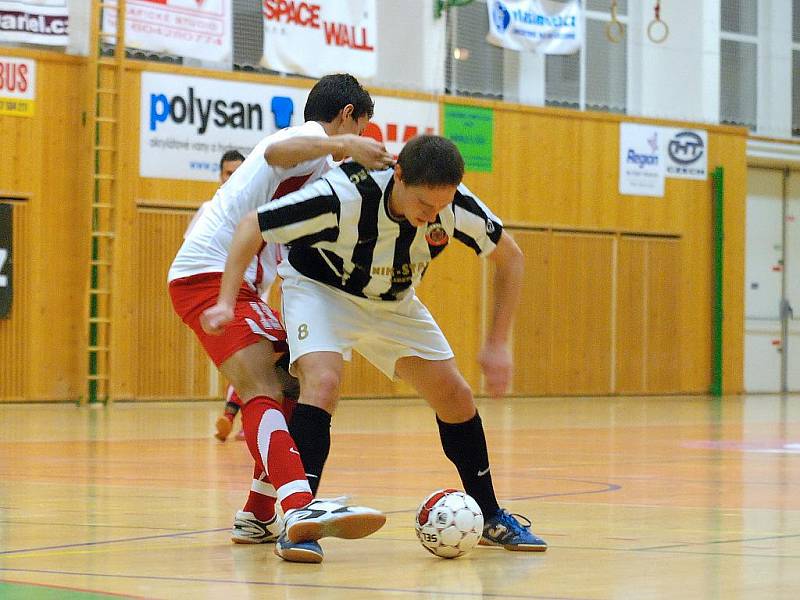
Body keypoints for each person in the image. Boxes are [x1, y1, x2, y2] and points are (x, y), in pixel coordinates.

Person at [201, 134, 548, 553]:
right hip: (320, 290)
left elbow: (511, 257)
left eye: (441, 206)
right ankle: (300, 520)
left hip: (392, 301)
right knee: (323, 382)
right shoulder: (346, 194)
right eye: (423, 204)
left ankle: (490, 515)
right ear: (397, 175)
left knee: (456, 396)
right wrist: (225, 301)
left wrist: (497, 343)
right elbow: (251, 225)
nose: (431, 216)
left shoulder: (451, 206)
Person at [168, 73, 394, 563]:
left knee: (293, 384)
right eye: (363, 125)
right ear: (348, 115)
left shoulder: (320, 174)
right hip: (205, 274)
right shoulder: (300, 142)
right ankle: (298, 507)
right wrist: (347, 143)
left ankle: (258, 513)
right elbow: (275, 155)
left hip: (242, 285)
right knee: (262, 390)